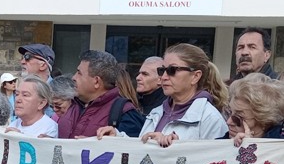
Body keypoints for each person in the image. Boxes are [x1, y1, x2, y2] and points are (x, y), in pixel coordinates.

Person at [97, 43, 228, 146]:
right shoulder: (157, 112)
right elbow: (141, 147)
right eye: (162, 70)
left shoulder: (211, 118)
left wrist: (175, 148)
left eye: (172, 70)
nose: (164, 76)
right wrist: (117, 138)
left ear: (195, 76)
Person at [59, 50, 144, 139]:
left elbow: (132, 150)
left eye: (79, 73)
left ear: (96, 81)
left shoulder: (125, 112)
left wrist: (92, 147)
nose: (74, 77)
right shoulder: (73, 104)